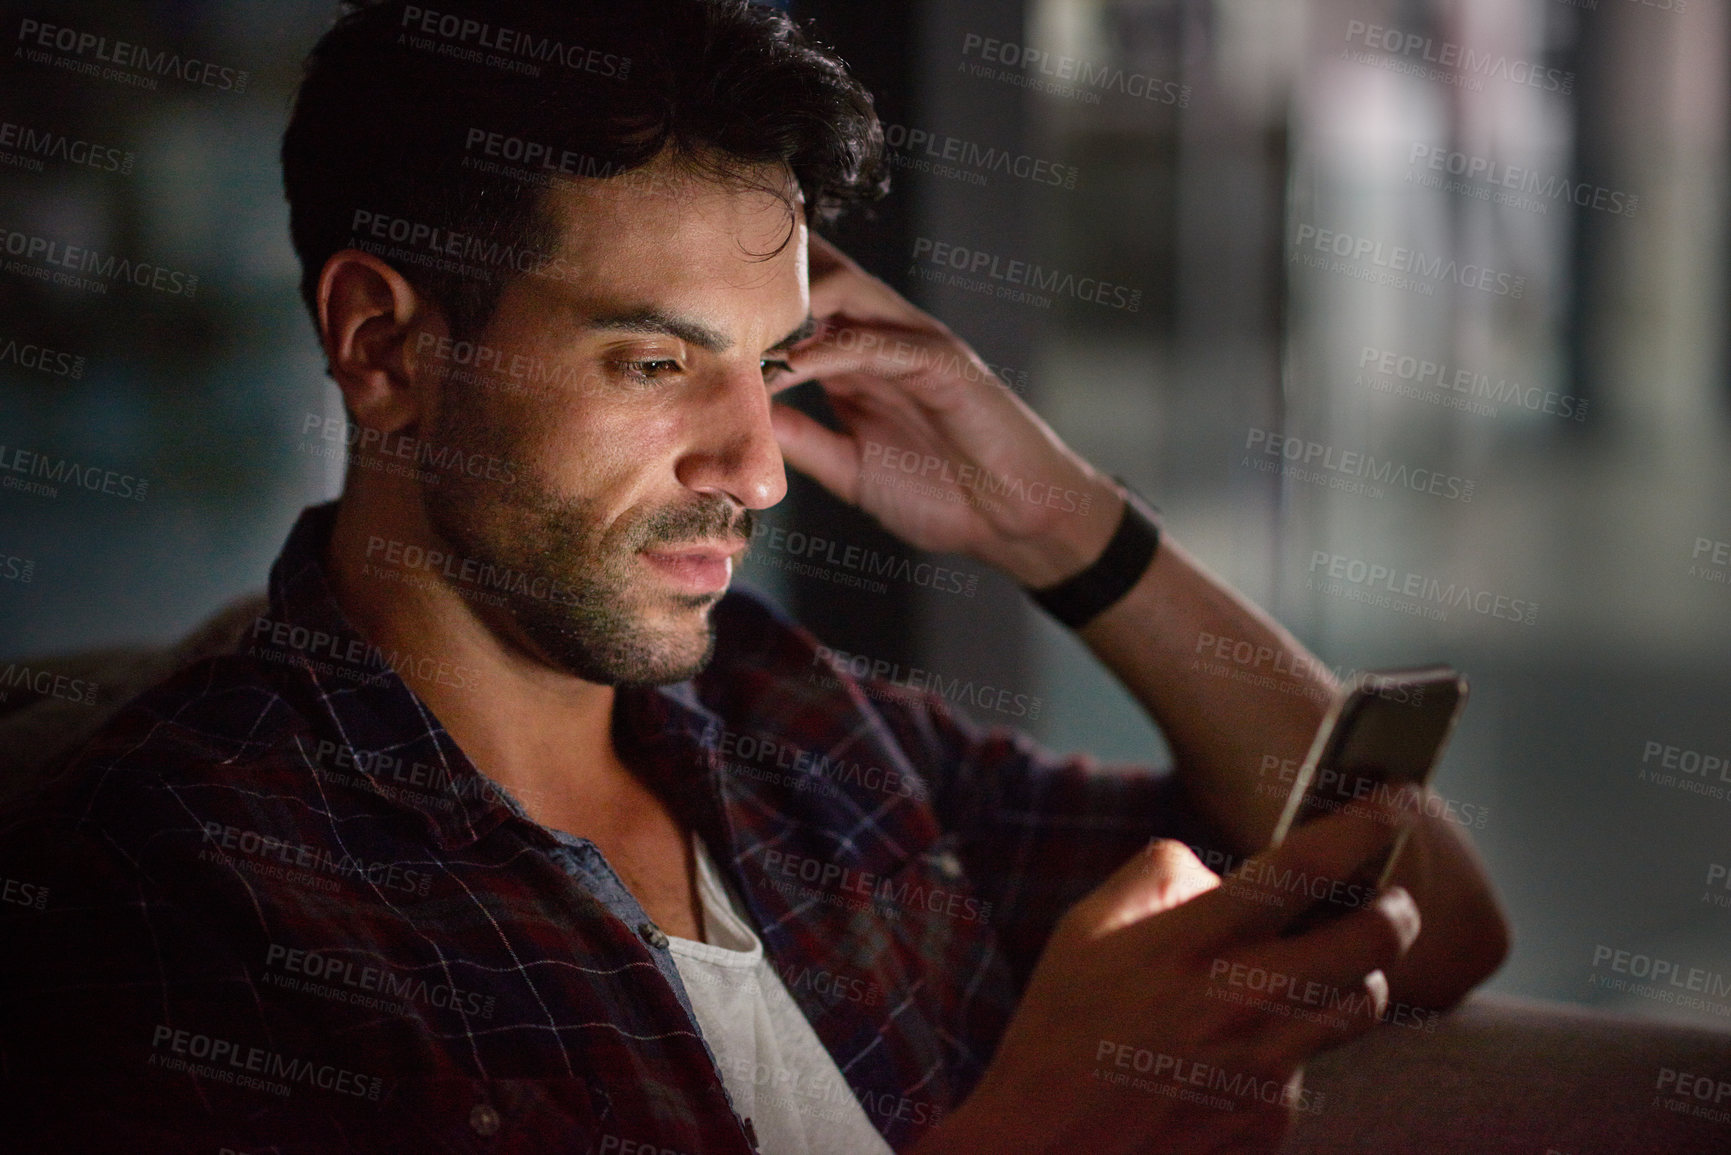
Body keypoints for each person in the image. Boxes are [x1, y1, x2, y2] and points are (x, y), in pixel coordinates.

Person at [0, 1, 1509, 1150]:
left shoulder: (791, 721)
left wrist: (1055, 521)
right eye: (656, 361)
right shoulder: (174, 885)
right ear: (385, 344)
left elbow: (1433, 917)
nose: (761, 467)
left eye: (774, 367)